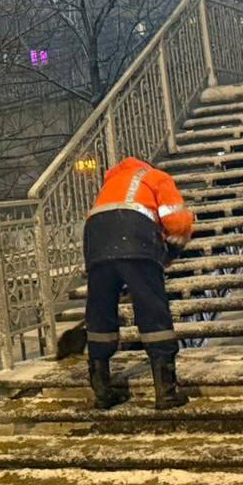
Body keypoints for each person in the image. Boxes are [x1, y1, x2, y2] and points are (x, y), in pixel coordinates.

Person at [77, 156, 195, 410]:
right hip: (136, 239)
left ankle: (102, 391)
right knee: (152, 310)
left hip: (96, 241)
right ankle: (166, 391)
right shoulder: (155, 177)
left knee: (100, 313)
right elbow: (176, 220)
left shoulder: (112, 182)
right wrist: (179, 238)